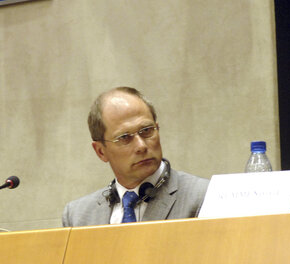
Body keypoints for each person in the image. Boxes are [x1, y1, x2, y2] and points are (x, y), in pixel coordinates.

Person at [62, 87, 209, 226]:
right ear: (101, 151)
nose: (141, 146)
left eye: (146, 130)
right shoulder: (78, 216)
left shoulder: (204, 196)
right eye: (124, 137)